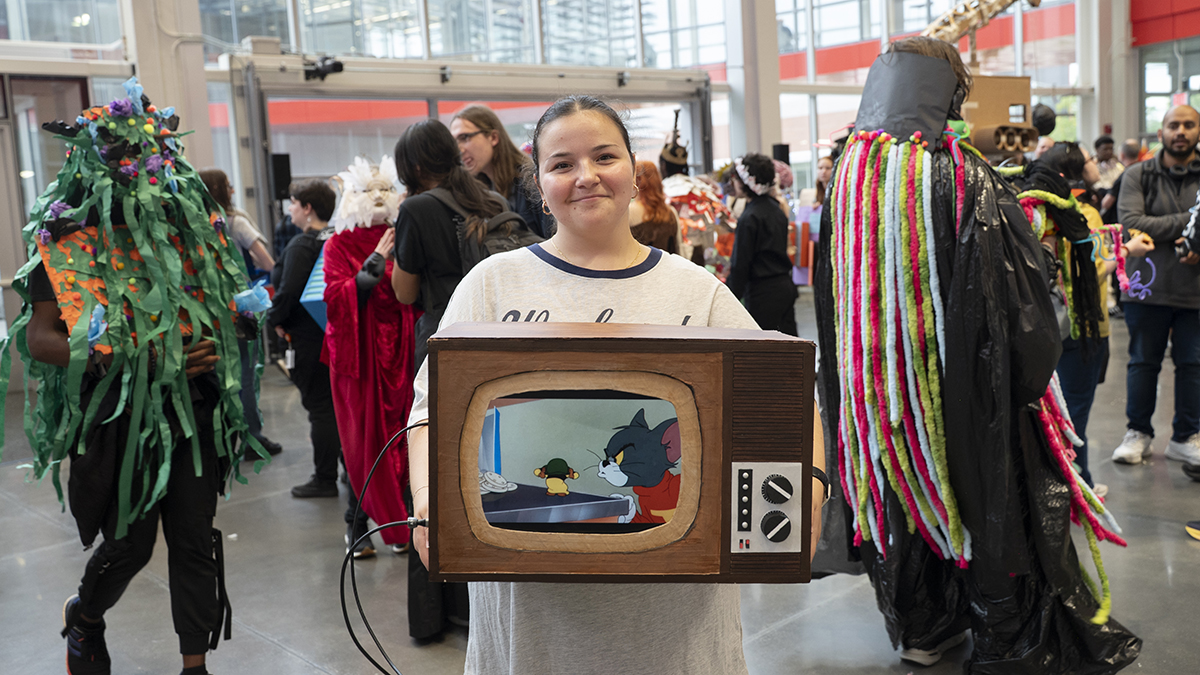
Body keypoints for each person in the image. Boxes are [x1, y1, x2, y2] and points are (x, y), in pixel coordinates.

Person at [405, 94, 826, 675]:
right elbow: (429, 411)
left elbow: (789, 396)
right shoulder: (491, 285)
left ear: (632, 169)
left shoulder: (695, 290)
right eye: (561, 164)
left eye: (604, 156)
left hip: (675, 630)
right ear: (539, 183)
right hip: (531, 628)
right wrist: (429, 500)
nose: (586, 177)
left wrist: (811, 487)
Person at [815, 38, 1141, 672]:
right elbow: (1025, 319)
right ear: (952, 94)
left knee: (902, 505)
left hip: (873, 403)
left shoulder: (846, 188)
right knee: (988, 506)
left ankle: (924, 627)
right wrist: (1026, 383)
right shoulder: (968, 181)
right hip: (971, 399)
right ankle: (1005, 641)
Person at [0, 79, 250, 675]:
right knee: (129, 546)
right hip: (116, 418)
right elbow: (40, 339)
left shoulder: (188, 234)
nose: (136, 169)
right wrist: (127, 357)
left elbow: (228, 314)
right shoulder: (63, 242)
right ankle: (85, 616)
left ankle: (195, 666)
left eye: (146, 156)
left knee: (193, 540)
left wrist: (220, 340)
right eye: (120, 156)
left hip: (192, 410)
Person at [390, 118, 503, 639]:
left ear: (412, 166)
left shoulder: (415, 209)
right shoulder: (487, 197)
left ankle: (437, 615)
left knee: (435, 472)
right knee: (488, 467)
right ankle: (480, 598)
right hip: (496, 341)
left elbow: (405, 293)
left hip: (443, 340)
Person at [323, 156, 421, 558]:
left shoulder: (405, 234)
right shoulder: (338, 244)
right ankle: (358, 523)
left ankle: (404, 520)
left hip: (404, 348)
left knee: (406, 437)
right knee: (360, 443)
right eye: (368, 191)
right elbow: (334, 295)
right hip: (361, 359)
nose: (378, 198)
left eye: (385, 190)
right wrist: (367, 273)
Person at [1111, 105, 1200, 466]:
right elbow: (1131, 224)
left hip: (1194, 290)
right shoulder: (1137, 174)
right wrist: (1194, 221)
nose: (1181, 131)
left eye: (1189, 125)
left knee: (1193, 365)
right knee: (1142, 363)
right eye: (1173, 125)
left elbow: (1150, 225)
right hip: (1145, 288)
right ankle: (1138, 433)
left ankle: (1186, 436)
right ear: (1161, 131)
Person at [1025, 142, 1115, 497]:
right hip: (1082, 328)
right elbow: (1092, 271)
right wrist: (1122, 253)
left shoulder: (1033, 212)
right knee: (1075, 413)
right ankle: (1080, 485)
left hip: (1044, 328)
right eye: (1089, 160)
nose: (1095, 163)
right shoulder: (1082, 216)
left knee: (1049, 411)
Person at [199, 168, 283, 459]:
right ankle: (252, 439)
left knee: (218, 374)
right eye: (228, 186)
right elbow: (267, 261)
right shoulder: (234, 223)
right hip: (241, 308)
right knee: (245, 374)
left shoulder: (196, 225)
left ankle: (226, 438)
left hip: (207, 311)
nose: (233, 190)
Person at [268, 179, 343, 498]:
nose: (290, 209)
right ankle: (347, 469)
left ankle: (324, 477)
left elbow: (288, 292)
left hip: (308, 339)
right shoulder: (337, 238)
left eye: (294, 203)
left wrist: (273, 320)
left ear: (308, 208)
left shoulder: (302, 245)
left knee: (320, 408)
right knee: (336, 405)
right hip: (334, 334)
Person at [450, 104, 554, 238]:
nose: (460, 149)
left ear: (493, 137)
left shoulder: (530, 180)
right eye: (454, 142)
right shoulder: (480, 188)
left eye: (465, 138)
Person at [726, 152, 798, 336]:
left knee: (764, 354)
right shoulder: (776, 209)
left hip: (762, 294)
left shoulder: (750, 218)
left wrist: (727, 299)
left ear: (745, 182)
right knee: (789, 350)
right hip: (784, 286)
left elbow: (740, 264)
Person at [629, 159, 681, 254]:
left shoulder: (630, 212)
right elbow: (678, 248)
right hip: (668, 267)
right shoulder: (671, 212)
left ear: (637, 180)